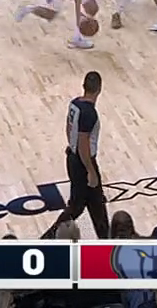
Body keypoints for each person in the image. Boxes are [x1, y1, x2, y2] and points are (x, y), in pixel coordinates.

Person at [41, 71, 109, 238]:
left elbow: (68, 128)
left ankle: (106, 239)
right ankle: (48, 237)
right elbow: (83, 142)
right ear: (99, 89)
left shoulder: (75, 104)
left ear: (83, 86)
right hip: (83, 162)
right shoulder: (89, 113)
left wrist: (72, 146)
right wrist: (90, 170)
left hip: (73, 157)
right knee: (78, 206)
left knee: (96, 204)